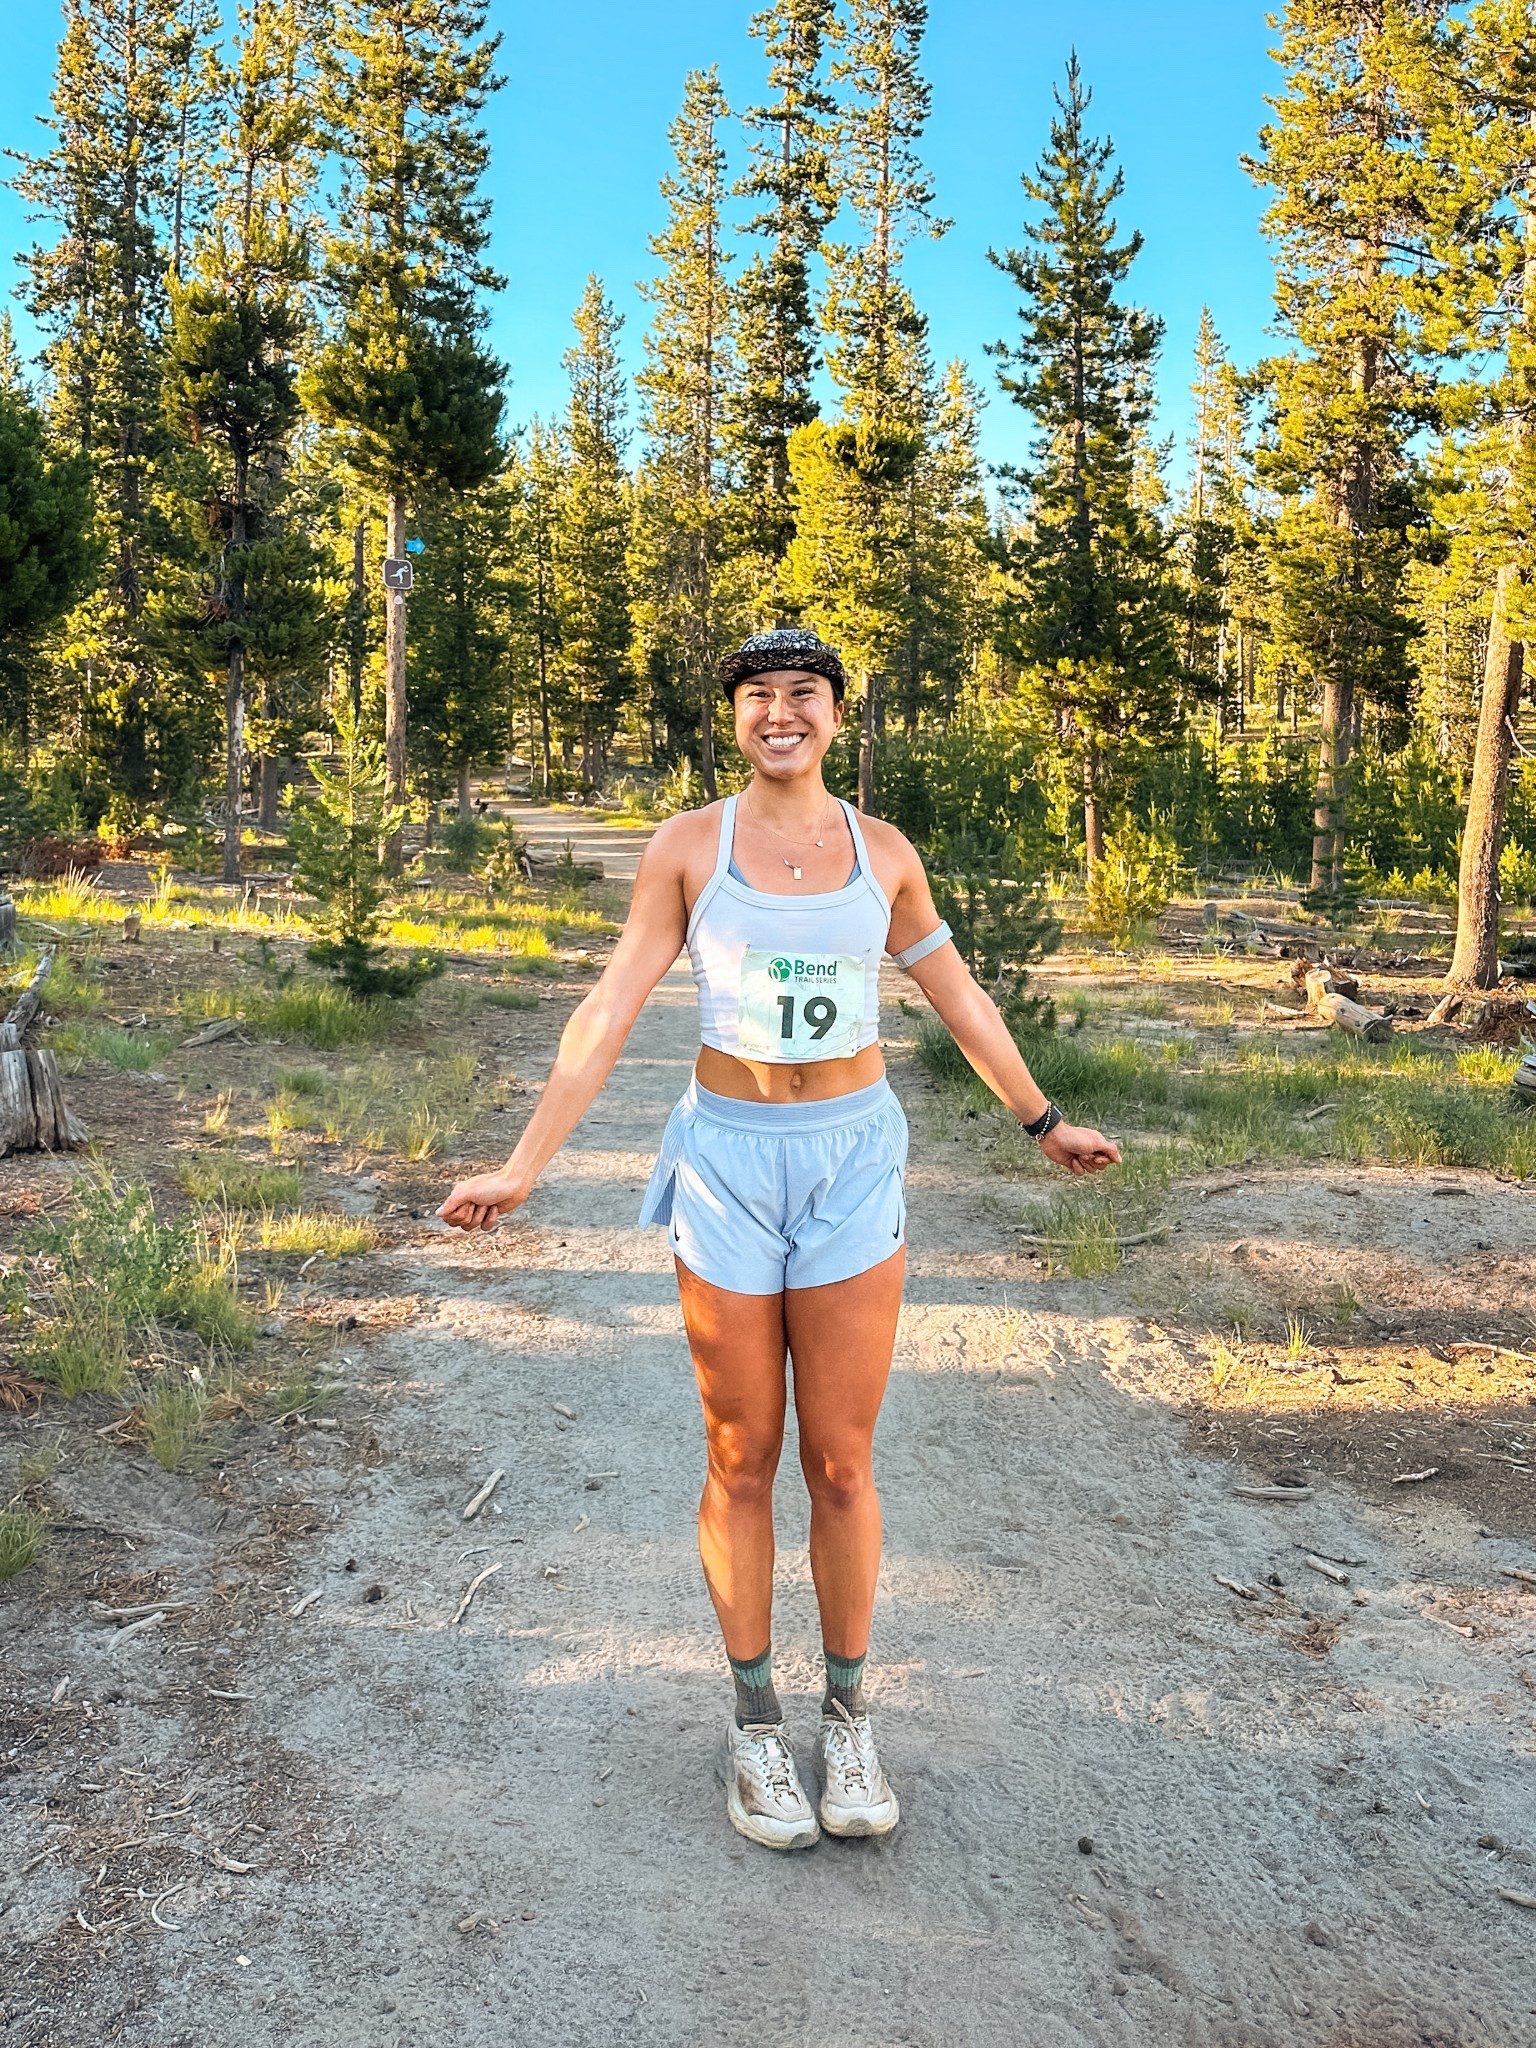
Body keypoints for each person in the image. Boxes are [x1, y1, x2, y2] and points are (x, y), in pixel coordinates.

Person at [438, 627, 1119, 1852]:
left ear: (837, 716)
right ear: (735, 718)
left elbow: (957, 991)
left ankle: (849, 1712)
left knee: (842, 1462)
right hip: (730, 1164)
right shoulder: (688, 849)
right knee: (742, 1450)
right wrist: (524, 1163)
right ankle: (755, 1719)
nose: (778, 712)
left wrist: (1042, 1118)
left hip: (852, 1159)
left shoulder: (885, 854)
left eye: (802, 693)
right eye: (756, 695)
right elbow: (610, 1005)